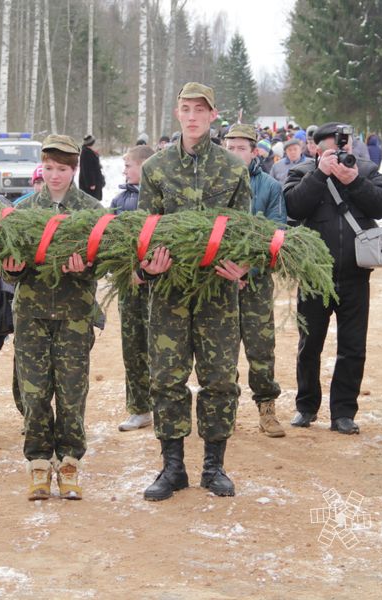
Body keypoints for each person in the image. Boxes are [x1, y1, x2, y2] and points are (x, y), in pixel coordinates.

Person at [138, 82, 250, 501]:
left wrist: (244, 266)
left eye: (199, 110)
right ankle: (172, 468)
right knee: (167, 379)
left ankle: (214, 466)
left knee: (220, 379)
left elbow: (246, 232)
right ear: (176, 113)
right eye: (185, 109)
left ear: (212, 115)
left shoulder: (233, 169)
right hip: (169, 292)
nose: (192, 116)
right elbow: (143, 232)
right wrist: (147, 267)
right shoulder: (156, 168)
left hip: (218, 291)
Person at [4, 134, 102, 500]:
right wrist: (11, 269)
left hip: (75, 315)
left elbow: (106, 263)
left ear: (74, 169)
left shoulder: (93, 211)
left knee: (73, 391)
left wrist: (87, 267)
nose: (54, 176)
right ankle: (39, 465)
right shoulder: (24, 210)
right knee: (34, 392)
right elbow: (8, 269)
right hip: (31, 314)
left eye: (61, 169)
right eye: (48, 168)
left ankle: (71, 462)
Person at [284, 122, 382, 434]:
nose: (339, 154)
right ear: (315, 148)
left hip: (355, 275)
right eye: (331, 149)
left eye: (342, 148)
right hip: (313, 275)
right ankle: (306, 407)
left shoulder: (366, 169)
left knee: (353, 347)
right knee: (310, 345)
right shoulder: (301, 172)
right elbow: (293, 205)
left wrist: (355, 181)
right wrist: (320, 174)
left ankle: (344, 412)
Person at [224, 123, 287, 438]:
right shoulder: (215, 184)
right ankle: (226, 413)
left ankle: (267, 410)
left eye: (242, 148)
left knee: (261, 347)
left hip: (256, 282)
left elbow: (276, 232)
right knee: (222, 350)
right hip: (220, 281)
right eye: (230, 147)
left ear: (254, 152)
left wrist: (248, 267)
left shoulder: (270, 187)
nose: (236, 153)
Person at [111, 144, 157, 432]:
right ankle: (139, 408)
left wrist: (147, 270)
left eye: (129, 165)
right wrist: (125, 270)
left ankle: (164, 406)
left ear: (144, 167)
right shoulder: (118, 201)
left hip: (157, 285)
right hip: (129, 285)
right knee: (133, 346)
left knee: (160, 348)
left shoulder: (160, 199)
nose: (125, 170)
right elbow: (110, 241)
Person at [78, 134, 105, 200]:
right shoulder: (86, 153)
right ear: (91, 143)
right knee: (91, 201)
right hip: (91, 184)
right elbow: (86, 169)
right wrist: (91, 183)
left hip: (94, 181)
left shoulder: (89, 152)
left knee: (94, 201)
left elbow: (93, 165)